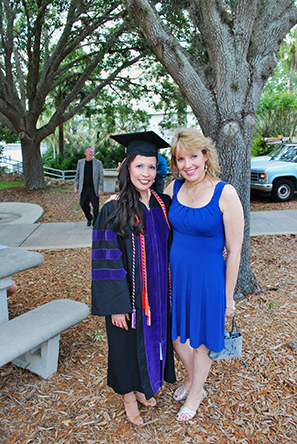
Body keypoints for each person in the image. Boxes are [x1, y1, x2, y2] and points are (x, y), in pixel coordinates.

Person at [91, 131, 176, 426]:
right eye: (140, 166)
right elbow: (105, 259)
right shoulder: (113, 209)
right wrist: (116, 304)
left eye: (152, 167)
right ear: (127, 167)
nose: (146, 173)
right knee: (125, 345)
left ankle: (143, 388)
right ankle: (129, 398)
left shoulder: (161, 203)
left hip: (156, 295)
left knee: (152, 342)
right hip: (127, 296)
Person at [164, 127, 244, 422]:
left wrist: (228, 298)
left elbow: (235, 251)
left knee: (201, 341)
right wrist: (118, 197)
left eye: (193, 157)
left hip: (209, 279)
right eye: (181, 159)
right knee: (177, 338)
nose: (187, 165)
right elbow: (148, 211)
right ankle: (192, 379)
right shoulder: (173, 189)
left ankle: (196, 392)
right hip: (178, 278)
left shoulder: (226, 193)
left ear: (206, 156)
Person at [74, 145, 104, 226]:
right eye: (90, 152)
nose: (92, 153)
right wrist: (75, 186)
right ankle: (89, 218)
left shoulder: (98, 163)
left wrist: (100, 188)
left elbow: (101, 176)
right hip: (84, 188)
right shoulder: (80, 162)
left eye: (93, 152)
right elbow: (77, 175)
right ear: (85, 153)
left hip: (94, 188)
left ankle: (96, 222)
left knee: (95, 206)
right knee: (83, 204)